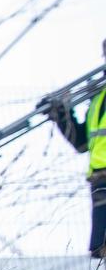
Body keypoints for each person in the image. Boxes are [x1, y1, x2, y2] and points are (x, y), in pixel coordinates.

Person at [47, 37, 106, 257]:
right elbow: (82, 142)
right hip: (100, 181)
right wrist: (62, 116)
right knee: (102, 247)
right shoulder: (99, 97)